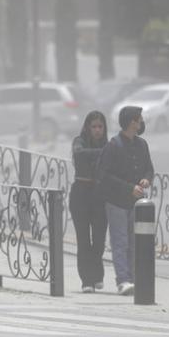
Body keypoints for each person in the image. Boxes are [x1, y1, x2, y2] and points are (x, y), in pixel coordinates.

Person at [97, 106, 154, 296]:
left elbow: (149, 168)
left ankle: (133, 278)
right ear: (132, 122)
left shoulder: (142, 144)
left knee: (134, 242)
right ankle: (122, 280)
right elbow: (104, 175)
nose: (141, 122)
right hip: (117, 202)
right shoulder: (113, 145)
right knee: (120, 242)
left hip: (136, 204)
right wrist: (130, 188)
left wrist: (146, 179)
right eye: (139, 119)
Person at [70, 111, 108, 293]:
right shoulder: (79, 141)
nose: (97, 130)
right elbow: (79, 154)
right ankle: (87, 280)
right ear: (88, 127)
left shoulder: (108, 144)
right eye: (94, 127)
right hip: (81, 194)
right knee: (83, 240)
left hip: (100, 195)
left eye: (100, 127)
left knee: (99, 240)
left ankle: (97, 274)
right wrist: (102, 153)